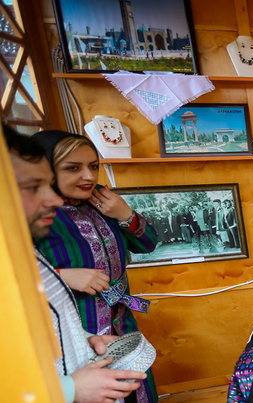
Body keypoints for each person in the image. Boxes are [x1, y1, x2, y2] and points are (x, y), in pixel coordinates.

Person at [4, 125, 146, 403]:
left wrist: (124, 213)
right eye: (72, 168)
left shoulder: (102, 202)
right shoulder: (33, 221)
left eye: (94, 166)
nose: (89, 176)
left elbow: (148, 243)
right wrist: (62, 276)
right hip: (70, 341)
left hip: (111, 327)